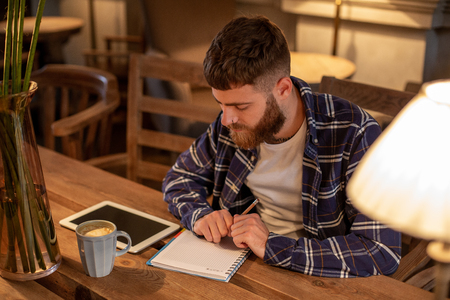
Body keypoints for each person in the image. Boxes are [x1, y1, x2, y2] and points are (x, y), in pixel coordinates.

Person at [162, 15, 401, 278]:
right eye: (221, 104)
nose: (227, 119)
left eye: (241, 106)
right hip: (235, 264)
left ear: (283, 89)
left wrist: (273, 246)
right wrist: (200, 215)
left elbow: (379, 250)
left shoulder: (354, 133)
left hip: (316, 274)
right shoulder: (233, 123)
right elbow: (181, 177)